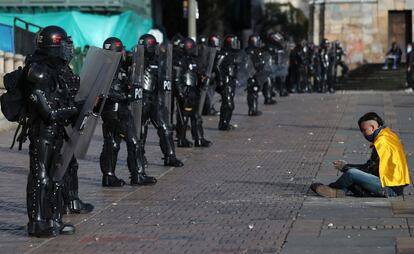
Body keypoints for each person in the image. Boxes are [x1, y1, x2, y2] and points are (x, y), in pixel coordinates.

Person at [24, 25, 78, 237]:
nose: (67, 49)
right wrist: (73, 108)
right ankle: (37, 221)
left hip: (58, 132)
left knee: (57, 176)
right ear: (53, 45)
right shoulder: (36, 71)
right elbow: (48, 111)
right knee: (41, 177)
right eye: (63, 44)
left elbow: (65, 99)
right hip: (43, 133)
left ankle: (54, 218)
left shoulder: (58, 70)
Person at [99, 37, 157, 187]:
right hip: (117, 110)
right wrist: (126, 95)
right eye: (121, 50)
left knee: (112, 143)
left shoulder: (111, 66)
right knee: (134, 141)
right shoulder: (108, 68)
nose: (124, 53)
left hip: (112, 111)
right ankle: (137, 174)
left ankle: (109, 176)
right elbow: (105, 91)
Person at [311, 112, 411, 198]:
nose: (363, 134)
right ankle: (339, 192)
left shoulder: (382, 142)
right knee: (355, 176)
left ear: (372, 128)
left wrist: (346, 167)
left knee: (352, 173)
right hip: (390, 184)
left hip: (389, 188)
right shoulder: (388, 134)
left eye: (364, 130)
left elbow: (369, 169)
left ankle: (332, 188)